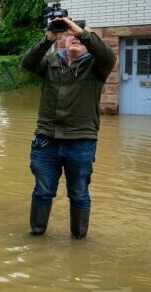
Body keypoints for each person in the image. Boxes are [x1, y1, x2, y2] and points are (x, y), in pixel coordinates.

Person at [20, 17, 116, 239]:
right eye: (71, 37)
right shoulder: (51, 62)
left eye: (80, 38)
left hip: (81, 141)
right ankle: (36, 236)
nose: (75, 39)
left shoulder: (98, 66)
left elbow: (108, 55)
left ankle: (79, 240)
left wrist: (81, 33)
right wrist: (49, 38)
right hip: (46, 141)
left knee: (79, 194)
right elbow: (28, 63)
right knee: (42, 192)